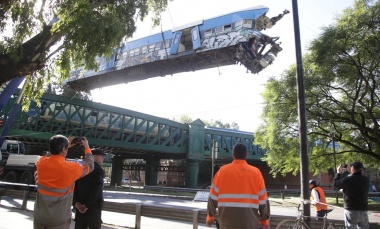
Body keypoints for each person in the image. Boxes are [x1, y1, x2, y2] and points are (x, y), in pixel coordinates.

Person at [33, 135, 94, 229]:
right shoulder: (71, 168)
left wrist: (65, 146)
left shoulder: (41, 162)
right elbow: (90, 165)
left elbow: (49, 156)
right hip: (59, 219)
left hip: (39, 217)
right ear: (63, 150)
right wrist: (86, 147)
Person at [206, 143, 269, 229]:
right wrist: (264, 221)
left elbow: (212, 197)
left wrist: (210, 216)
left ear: (233, 155)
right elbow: (263, 200)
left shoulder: (222, 171)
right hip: (249, 223)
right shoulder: (256, 173)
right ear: (246, 155)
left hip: (226, 223)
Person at [73, 148, 106, 229]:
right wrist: (87, 205)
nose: (103, 157)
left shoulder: (81, 167)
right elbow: (96, 189)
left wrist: (76, 202)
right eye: (101, 155)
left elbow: (74, 186)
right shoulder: (98, 170)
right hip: (93, 207)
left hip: (79, 205)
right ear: (93, 157)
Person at [334, 161, 369, 229]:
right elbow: (356, 180)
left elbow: (336, 184)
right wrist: (351, 172)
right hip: (363, 210)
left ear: (352, 168)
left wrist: (338, 172)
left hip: (351, 210)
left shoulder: (348, 179)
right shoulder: (366, 180)